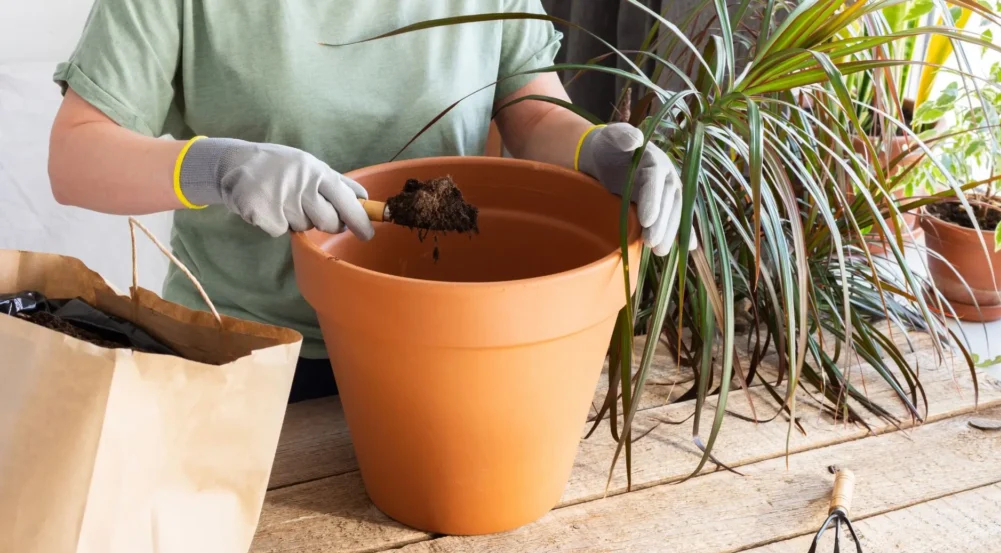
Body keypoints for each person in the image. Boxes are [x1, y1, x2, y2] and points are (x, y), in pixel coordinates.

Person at [48, 0, 688, 402]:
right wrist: (218, 166)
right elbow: (76, 157)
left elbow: (530, 111)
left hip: (439, 354)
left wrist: (595, 150)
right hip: (240, 360)